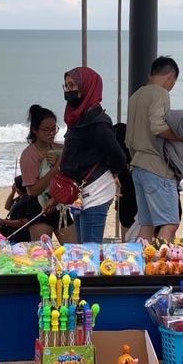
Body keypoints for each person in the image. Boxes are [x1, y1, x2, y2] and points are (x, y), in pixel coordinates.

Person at [126, 56, 183, 241]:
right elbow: (158, 127)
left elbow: (129, 139)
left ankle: (143, 259)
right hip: (156, 168)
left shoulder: (136, 96)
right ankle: (160, 259)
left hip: (138, 165)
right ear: (170, 76)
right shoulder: (160, 93)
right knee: (170, 224)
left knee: (147, 225)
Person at [50, 67, 127, 244]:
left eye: (72, 85)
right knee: (83, 246)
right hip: (78, 193)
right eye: (66, 86)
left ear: (87, 86)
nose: (68, 90)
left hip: (96, 190)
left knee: (90, 247)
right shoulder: (78, 118)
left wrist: (113, 174)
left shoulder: (97, 121)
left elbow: (118, 156)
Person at [19, 105, 76, 244]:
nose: (51, 133)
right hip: (39, 208)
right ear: (34, 130)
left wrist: (60, 162)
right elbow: (33, 191)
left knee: (74, 250)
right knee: (42, 254)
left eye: (54, 129)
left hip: (60, 205)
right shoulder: (29, 155)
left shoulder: (61, 149)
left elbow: (72, 174)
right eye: (46, 130)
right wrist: (56, 168)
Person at [0, 176, 36, 242]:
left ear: (18, 189)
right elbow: (7, 207)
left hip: (19, 238)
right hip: (13, 235)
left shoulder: (24, 202)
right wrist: (13, 192)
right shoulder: (20, 197)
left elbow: (23, 222)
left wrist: (4, 222)